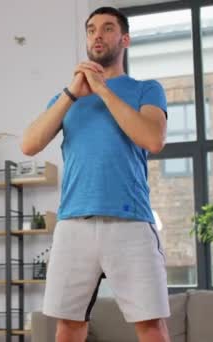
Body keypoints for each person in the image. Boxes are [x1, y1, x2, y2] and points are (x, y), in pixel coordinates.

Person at [21, 7, 170, 342]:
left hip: (130, 222)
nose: (97, 35)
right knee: (68, 327)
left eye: (107, 28)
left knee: (151, 326)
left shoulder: (146, 89)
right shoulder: (66, 98)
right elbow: (29, 144)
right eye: (91, 30)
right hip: (74, 223)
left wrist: (103, 90)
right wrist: (73, 92)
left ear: (125, 39)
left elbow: (152, 138)